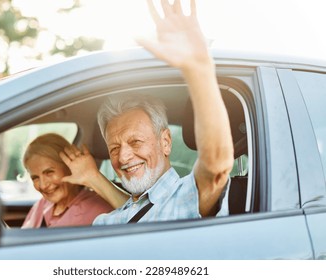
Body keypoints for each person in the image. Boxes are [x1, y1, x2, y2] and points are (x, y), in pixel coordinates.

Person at [62, 0, 234, 225]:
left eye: (135, 142)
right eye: (114, 148)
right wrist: (93, 177)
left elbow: (215, 167)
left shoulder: (184, 199)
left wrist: (198, 67)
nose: (123, 156)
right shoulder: (106, 221)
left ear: (165, 141)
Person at [21, 133, 114, 228]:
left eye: (49, 172)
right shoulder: (42, 204)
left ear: (70, 167)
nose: (43, 185)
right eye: (35, 178)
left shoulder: (99, 208)